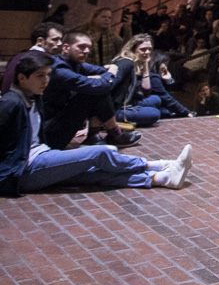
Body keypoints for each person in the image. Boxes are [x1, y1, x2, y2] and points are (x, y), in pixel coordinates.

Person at [0, 56, 191, 195]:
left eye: (48, 75)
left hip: (41, 158)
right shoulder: (11, 103)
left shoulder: (33, 97)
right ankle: (160, 165)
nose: (46, 81)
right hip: (25, 170)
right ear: (22, 78)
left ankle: (162, 179)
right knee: (101, 152)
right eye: (40, 75)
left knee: (95, 173)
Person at [41, 31, 139, 149]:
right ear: (66, 48)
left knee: (122, 67)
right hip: (50, 134)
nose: (87, 51)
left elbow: (101, 71)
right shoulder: (58, 68)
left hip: (62, 122)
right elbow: (102, 82)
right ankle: (112, 133)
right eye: (81, 47)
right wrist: (110, 73)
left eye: (88, 47)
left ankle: (95, 134)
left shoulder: (76, 63)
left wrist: (100, 79)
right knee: (97, 90)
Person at [111, 36, 191, 126]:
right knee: (155, 113)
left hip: (130, 100)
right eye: (143, 49)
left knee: (156, 100)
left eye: (149, 49)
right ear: (133, 50)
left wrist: (145, 65)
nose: (147, 52)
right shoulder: (126, 63)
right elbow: (111, 86)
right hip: (118, 107)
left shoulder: (139, 63)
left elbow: (146, 90)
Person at [2, 20, 64, 94]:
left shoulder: (19, 56)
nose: (60, 43)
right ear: (40, 41)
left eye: (61, 40)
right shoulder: (40, 60)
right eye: (55, 39)